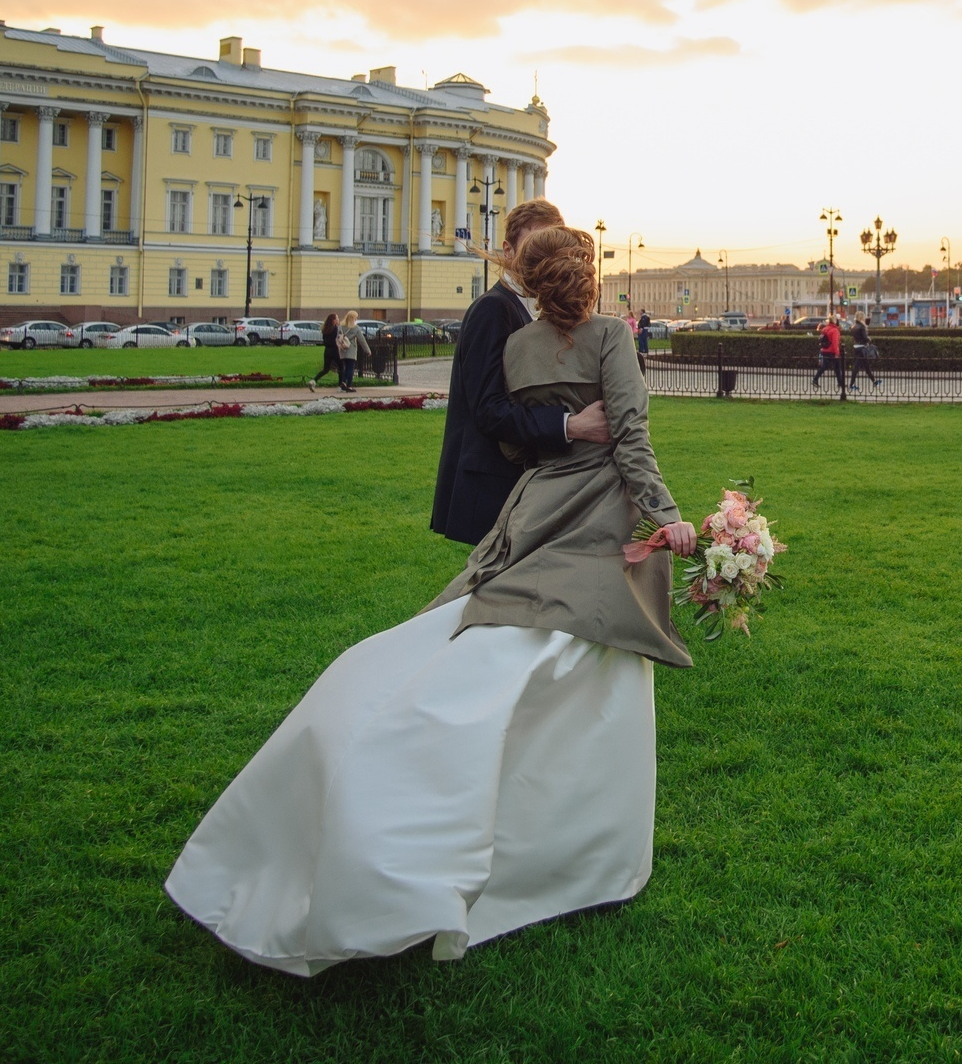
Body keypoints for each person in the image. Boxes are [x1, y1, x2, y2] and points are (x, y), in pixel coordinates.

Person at [168, 226, 701, 974]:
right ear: (588, 274)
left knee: (493, 630)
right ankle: (572, 846)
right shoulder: (613, 334)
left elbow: (517, 445)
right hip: (595, 516)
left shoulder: (518, 347)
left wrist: (561, 436)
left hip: (532, 509)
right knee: (584, 657)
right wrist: (667, 514)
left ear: (531, 279)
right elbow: (632, 438)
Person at [429, 201, 610, 546]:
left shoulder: (538, 307)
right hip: (493, 484)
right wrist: (570, 425)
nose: (544, 260)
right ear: (509, 250)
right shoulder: (493, 309)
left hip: (524, 483)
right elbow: (488, 409)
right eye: (533, 248)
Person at [308, 309, 340, 391]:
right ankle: (340, 386)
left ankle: (314, 381)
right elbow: (336, 340)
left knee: (325, 369)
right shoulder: (335, 328)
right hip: (335, 350)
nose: (338, 320)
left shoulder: (325, 329)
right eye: (337, 318)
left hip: (327, 350)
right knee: (341, 368)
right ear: (333, 320)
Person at [848, 314, 881, 389]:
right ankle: (851, 385)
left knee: (866, 367)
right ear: (861, 318)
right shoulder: (862, 327)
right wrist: (869, 338)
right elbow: (865, 338)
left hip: (856, 347)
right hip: (862, 348)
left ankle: (874, 381)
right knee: (856, 367)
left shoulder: (854, 326)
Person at [812, 314, 843, 390]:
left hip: (824, 350)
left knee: (824, 366)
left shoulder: (825, 329)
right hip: (832, 351)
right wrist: (837, 353)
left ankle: (815, 379)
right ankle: (840, 382)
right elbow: (835, 342)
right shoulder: (835, 330)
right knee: (837, 367)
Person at [336, 309, 362, 392]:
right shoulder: (356, 328)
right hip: (351, 349)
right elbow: (362, 340)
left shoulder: (341, 326)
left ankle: (349, 386)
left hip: (343, 349)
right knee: (350, 368)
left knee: (347, 367)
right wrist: (368, 350)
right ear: (353, 318)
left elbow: (338, 337)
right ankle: (344, 382)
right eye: (355, 318)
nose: (356, 319)